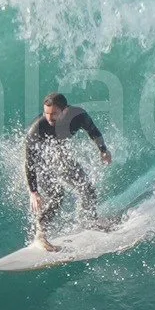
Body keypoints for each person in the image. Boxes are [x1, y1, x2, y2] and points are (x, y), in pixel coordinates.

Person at [24, 92, 111, 249]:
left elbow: (93, 131)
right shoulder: (37, 127)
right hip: (40, 161)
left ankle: (90, 221)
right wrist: (33, 192)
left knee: (87, 188)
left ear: (65, 111)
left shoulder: (78, 115)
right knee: (57, 195)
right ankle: (40, 235)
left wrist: (103, 150)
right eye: (46, 113)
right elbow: (30, 161)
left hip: (58, 154)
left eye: (54, 114)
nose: (49, 117)